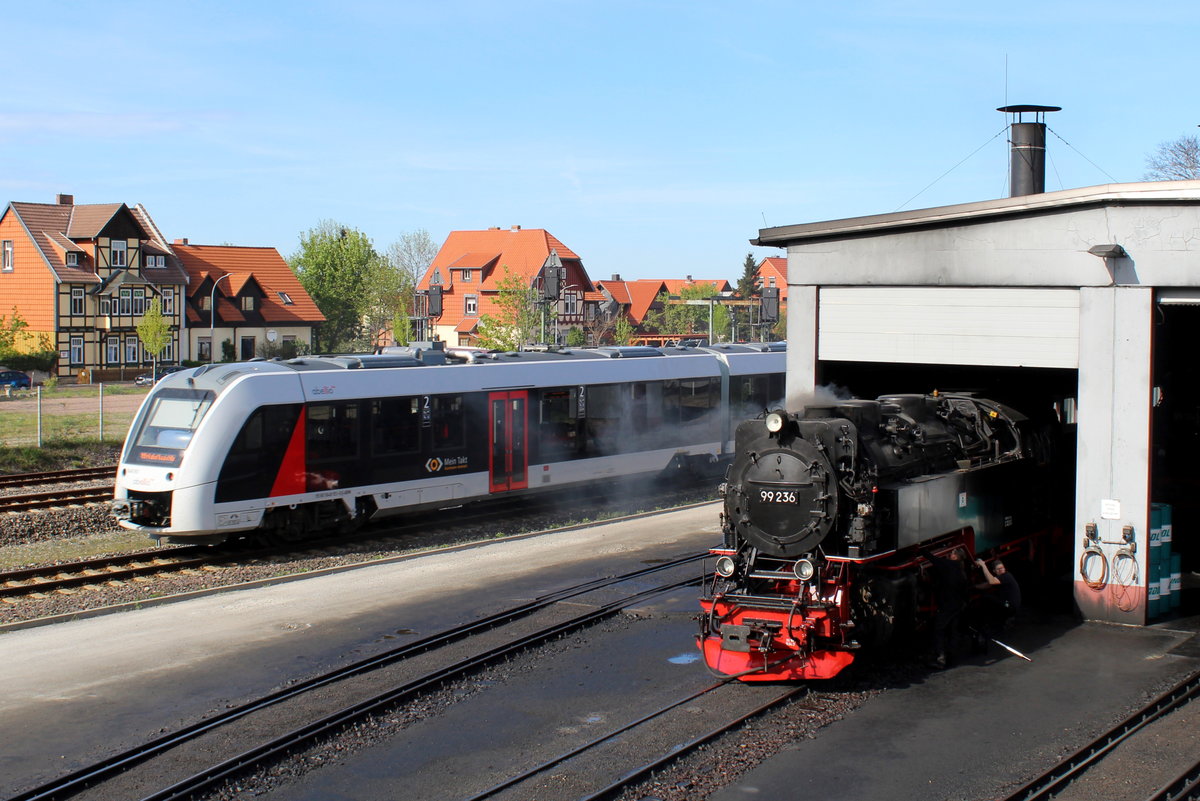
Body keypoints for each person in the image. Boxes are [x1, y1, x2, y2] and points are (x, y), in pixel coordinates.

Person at [925, 548, 970, 669]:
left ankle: (940, 658)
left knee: (939, 629)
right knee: (953, 630)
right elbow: (965, 590)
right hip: (958, 605)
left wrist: (922, 550)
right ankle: (953, 657)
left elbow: (933, 559)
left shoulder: (949, 565)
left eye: (952, 553)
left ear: (955, 557)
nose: (950, 554)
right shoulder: (961, 570)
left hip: (947, 605)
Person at [973, 557, 1021, 642]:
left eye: (1002, 568)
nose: (1001, 570)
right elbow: (987, 585)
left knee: (986, 598)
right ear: (994, 571)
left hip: (1010, 606)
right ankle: (995, 624)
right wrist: (973, 587)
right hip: (1008, 604)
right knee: (990, 598)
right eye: (998, 569)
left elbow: (991, 581)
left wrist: (983, 565)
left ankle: (983, 627)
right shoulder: (1000, 578)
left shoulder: (1006, 576)